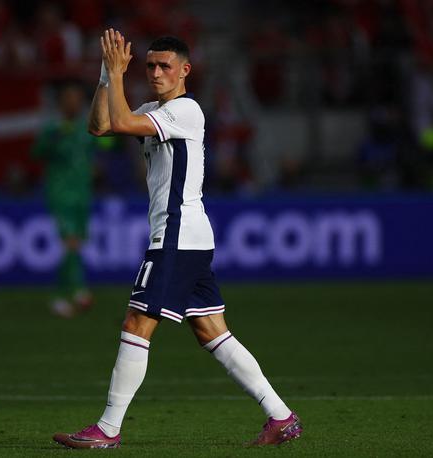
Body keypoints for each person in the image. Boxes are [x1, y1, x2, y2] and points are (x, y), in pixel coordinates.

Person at [52, 30, 302, 449]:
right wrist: (104, 75)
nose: (155, 72)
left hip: (176, 235)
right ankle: (281, 416)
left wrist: (117, 76)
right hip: (190, 236)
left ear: (185, 70)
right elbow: (99, 127)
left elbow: (121, 122)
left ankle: (108, 429)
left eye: (164, 65)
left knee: (136, 324)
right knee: (212, 333)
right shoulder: (155, 109)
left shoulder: (186, 111)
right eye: (149, 65)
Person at [32, 80, 96, 318]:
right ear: (61, 102)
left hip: (82, 194)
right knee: (71, 243)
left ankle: (60, 297)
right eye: (70, 98)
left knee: (74, 246)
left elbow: (107, 145)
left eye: (78, 98)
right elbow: (36, 153)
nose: (74, 102)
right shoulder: (53, 128)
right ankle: (79, 292)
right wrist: (53, 140)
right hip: (60, 194)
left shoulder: (85, 127)